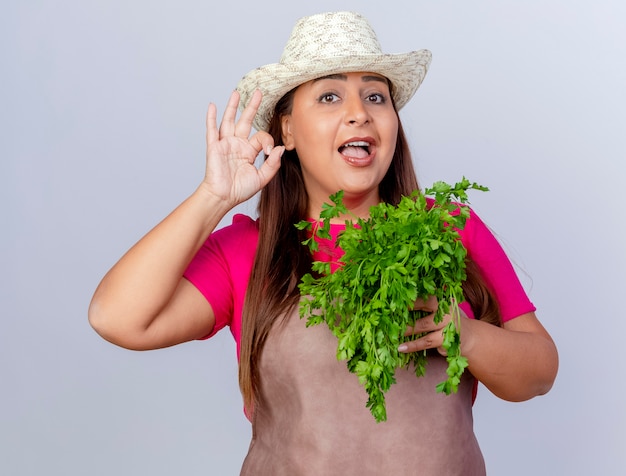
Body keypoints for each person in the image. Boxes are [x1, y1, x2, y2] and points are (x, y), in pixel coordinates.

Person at [89, 11, 558, 475]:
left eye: (375, 96)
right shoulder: (249, 252)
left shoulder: (445, 229)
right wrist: (213, 197)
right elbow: (117, 319)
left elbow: (539, 373)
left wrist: (464, 333)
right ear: (287, 130)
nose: (359, 113)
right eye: (330, 96)